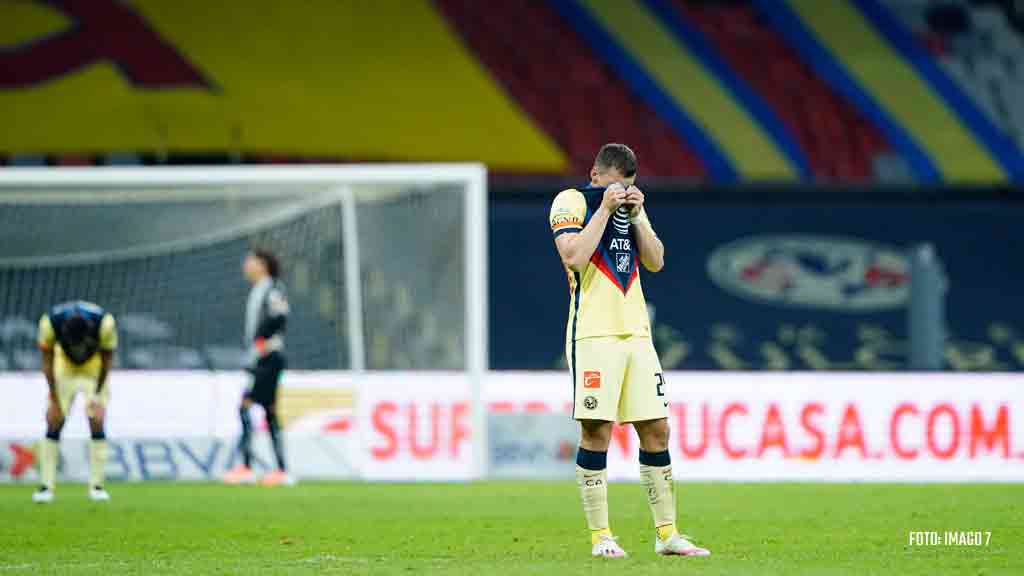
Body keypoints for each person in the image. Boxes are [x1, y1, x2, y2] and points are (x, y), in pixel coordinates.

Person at [549, 143, 710, 558]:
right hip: (594, 335)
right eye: (616, 185)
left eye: (629, 187)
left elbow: (656, 261)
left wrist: (637, 214)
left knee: (657, 428)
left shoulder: (631, 209)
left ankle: (668, 534)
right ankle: (601, 537)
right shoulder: (572, 201)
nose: (621, 192)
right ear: (596, 175)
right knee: (596, 430)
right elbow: (573, 257)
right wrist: (603, 209)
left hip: (637, 334)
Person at [33, 301, 117, 503]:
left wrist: (97, 396)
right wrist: (53, 398)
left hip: (94, 369)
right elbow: (47, 361)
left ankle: (97, 486)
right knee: (54, 420)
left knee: (96, 419)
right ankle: (46, 487)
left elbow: (107, 360)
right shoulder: (49, 323)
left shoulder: (105, 324)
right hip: (64, 368)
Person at [224, 248, 294, 486]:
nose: (246, 266)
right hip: (262, 358)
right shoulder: (260, 290)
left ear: (262, 264)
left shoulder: (273, 288)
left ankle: (247, 466)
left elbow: (280, 316)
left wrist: (261, 339)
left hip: (268, 357)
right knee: (269, 410)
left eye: (250, 261)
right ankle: (280, 470)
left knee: (246, 406)